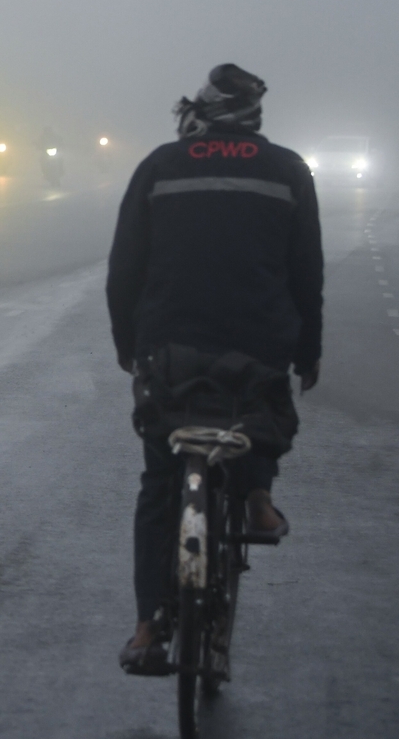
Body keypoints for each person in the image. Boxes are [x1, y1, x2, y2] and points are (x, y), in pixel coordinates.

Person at [106, 64, 323, 674]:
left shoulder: (160, 166)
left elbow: (126, 265)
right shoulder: (287, 171)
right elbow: (306, 273)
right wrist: (309, 351)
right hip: (257, 346)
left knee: (160, 480)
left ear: (197, 115)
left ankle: (149, 627)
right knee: (255, 403)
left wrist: (128, 343)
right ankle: (256, 497)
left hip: (169, 349)